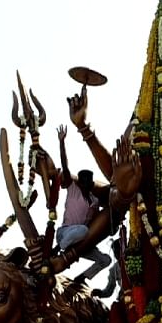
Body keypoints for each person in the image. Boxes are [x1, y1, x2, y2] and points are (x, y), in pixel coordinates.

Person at [51, 125, 119, 297]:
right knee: (82, 230)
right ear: (79, 181)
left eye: (89, 182)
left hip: (80, 242)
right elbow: (64, 168)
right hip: (66, 235)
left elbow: (104, 220)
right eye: (83, 181)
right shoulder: (73, 188)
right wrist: (61, 142)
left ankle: (81, 278)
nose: (85, 184)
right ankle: (58, 250)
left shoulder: (95, 201)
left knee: (106, 260)